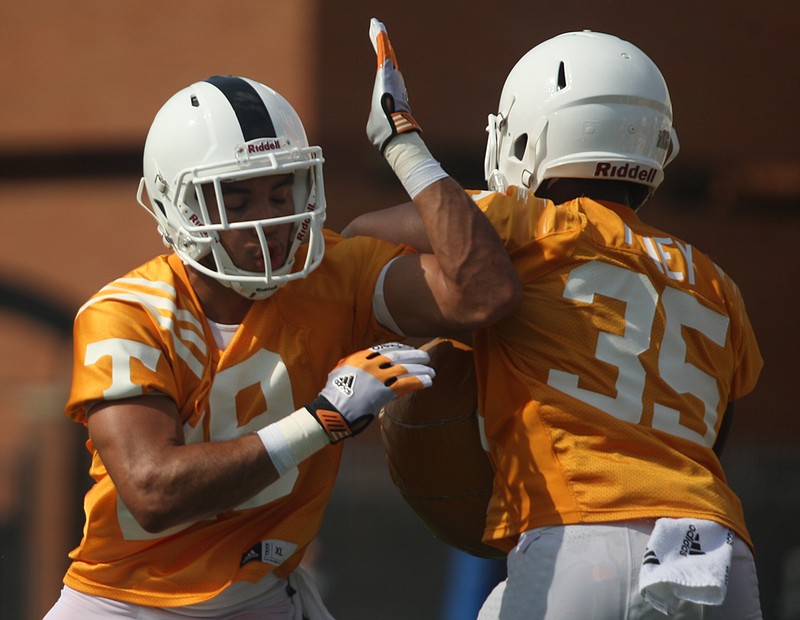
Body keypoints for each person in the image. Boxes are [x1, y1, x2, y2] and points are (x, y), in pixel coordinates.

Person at [44, 19, 520, 620]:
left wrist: (406, 148)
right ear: (175, 206)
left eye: (281, 193)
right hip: (127, 604)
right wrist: (320, 420)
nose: (266, 220)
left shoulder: (334, 272)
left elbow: (481, 293)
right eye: (236, 200)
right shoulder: (127, 312)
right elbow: (152, 491)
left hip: (267, 594)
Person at [343, 30, 763, 618]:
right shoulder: (718, 283)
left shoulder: (531, 224)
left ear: (525, 135)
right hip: (715, 550)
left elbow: (368, 233)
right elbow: (717, 426)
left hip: (581, 533)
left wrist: (402, 152)